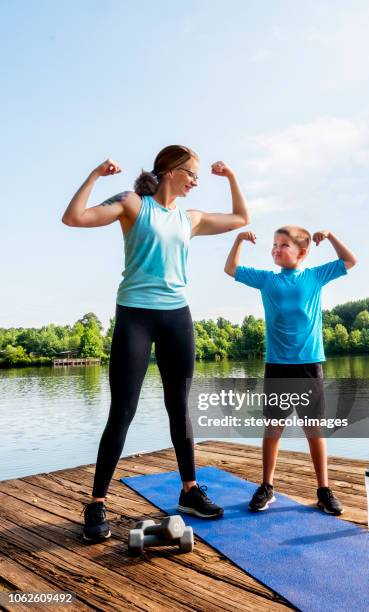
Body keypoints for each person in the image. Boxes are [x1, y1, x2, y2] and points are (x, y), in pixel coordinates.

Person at [62, 145, 250, 541]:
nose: (197, 182)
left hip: (177, 317)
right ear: (171, 171)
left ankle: (189, 491)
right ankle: (96, 503)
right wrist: (96, 174)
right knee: (123, 410)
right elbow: (73, 217)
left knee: (178, 407)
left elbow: (240, 218)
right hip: (135, 316)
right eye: (192, 174)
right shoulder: (132, 204)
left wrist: (231, 177)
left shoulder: (190, 218)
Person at [224, 225, 357, 514]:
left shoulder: (314, 276)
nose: (276, 248)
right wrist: (238, 240)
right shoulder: (267, 280)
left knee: (313, 429)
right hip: (278, 367)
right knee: (273, 426)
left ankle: (323, 490)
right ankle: (267, 487)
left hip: (309, 366)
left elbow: (349, 261)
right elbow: (230, 268)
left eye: (283, 244)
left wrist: (332, 236)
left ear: (302, 252)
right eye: (274, 244)